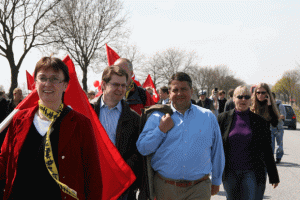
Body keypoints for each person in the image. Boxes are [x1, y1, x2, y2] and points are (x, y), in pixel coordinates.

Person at [0, 56, 102, 200]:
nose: (47, 83)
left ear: (65, 85)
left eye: (55, 79)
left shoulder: (80, 123)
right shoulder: (19, 119)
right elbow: (4, 160)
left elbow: (93, 177)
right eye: (42, 78)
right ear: (35, 84)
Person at [136, 72, 225, 200]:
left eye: (184, 89)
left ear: (191, 90)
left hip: (199, 188)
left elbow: (217, 151)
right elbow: (143, 148)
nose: (179, 93)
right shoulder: (157, 117)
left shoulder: (208, 116)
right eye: (175, 90)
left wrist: (216, 180)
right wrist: (161, 130)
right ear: (170, 92)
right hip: (166, 188)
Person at [217, 86, 280, 200]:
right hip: (229, 172)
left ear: (251, 99)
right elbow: (214, 146)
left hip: (251, 172)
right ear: (233, 99)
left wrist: (273, 175)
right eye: (239, 97)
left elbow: (267, 149)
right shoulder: (222, 119)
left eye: (246, 97)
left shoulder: (260, 122)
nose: (243, 100)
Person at [92, 65, 142, 200]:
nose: (120, 89)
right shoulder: (88, 113)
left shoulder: (134, 118)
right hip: (92, 180)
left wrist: (123, 168)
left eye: (123, 85)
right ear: (103, 84)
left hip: (121, 185)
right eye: (115, 84)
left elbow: (139, 150)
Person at [271, 92, 286, 164]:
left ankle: (278, 158)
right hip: (270, 128)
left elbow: (283, 116)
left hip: (278, 128)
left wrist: (275, 117)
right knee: (271, 145)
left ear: (273, 98)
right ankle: (271, 159)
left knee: (279, 145)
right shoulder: (268, 105)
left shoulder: (280, 105)